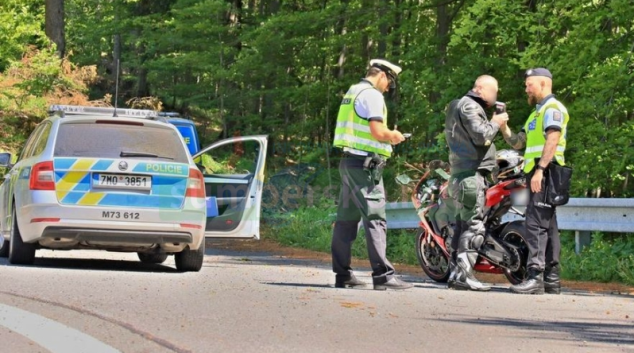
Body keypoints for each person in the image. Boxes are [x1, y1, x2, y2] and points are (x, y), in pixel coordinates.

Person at [331, 59, 412, 290]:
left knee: (346, 221)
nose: (389, 88)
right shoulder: (373, 95)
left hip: (349, 163)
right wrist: (393, 135)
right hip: (365, 167)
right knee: (376, 219)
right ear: (383, 76)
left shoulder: (353, 91)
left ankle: (343, 275)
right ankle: (383, 276)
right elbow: (377, 131)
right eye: (390, 83)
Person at [500, 68, 568, 295]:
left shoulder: (553, 109)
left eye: (529, 84)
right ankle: (551, 280)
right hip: (537, 172)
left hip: (545, 172)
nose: (526, 88)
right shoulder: (535, 114)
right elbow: (519, 143)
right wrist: (503, 127)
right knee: (548, 226)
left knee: (535, 224)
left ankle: (535, 277)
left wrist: (540, 169)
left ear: (543, 84)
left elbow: (553, 138)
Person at [444, 75, 509, 291]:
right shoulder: (469, 106)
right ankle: (463, 275)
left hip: (462, 175)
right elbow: (482, 136)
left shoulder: (459, 106)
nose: (495, 96)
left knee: (463, 226)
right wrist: (496, 122)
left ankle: (455, 274)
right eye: (494, 91)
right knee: (474, 226)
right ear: (480, 89)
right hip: (470, 175)